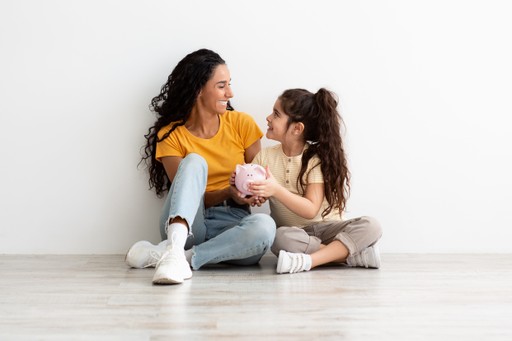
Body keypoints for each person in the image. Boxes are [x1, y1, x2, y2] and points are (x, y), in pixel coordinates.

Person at [125, 48, 276, 285]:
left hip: (232, 222)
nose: (230, 92)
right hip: (187, 224)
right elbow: (185, 197)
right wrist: (227, 191)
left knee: (265, 227)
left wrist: (256, 193)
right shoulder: (171, 135)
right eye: (221, 85)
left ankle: (175, 257)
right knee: (194, 161)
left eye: (229, 84)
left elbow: (260, 179)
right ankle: (176, 245)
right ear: (198, 89)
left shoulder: (241, 124)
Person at [248, 88, 382, 274]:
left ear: (297, 128)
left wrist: (275, 190)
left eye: (276, 114)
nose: (268, 118)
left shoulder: (313, 158)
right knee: (278, 237)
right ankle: (348, 256)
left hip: (329, 230)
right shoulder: (265, 157)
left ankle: (309, 261)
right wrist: (249, 193)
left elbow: (311, 209)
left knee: (371, 225)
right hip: (297, 234)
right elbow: (252, 191)